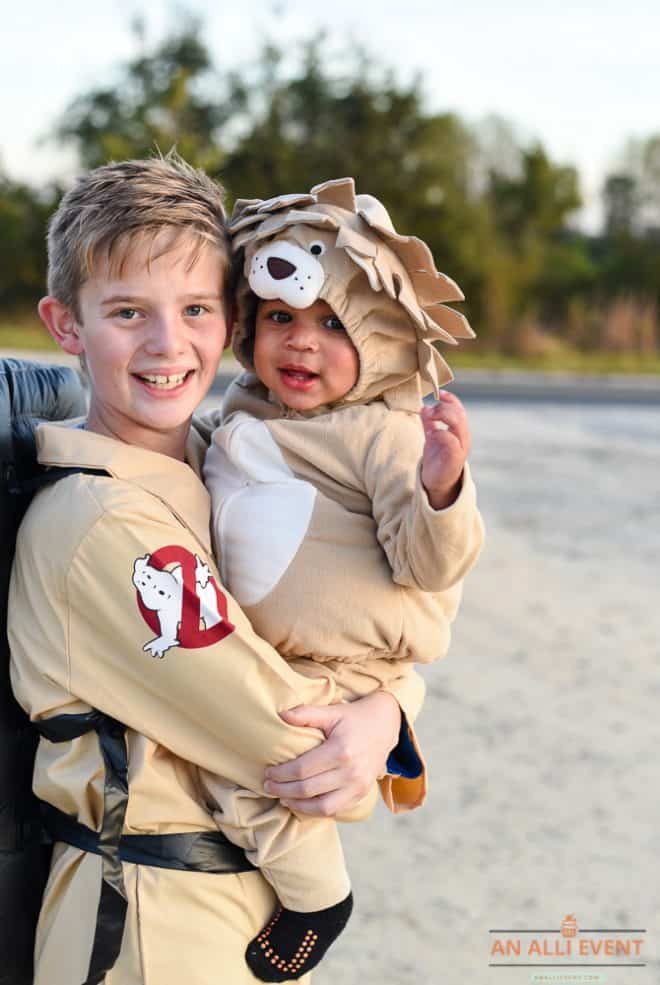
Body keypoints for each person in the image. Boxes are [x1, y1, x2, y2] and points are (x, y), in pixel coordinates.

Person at [8, 157, 427, 985]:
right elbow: (291, 738)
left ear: (231, 316)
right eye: (128, 312)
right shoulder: (101, 523)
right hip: (146, 924)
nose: (170, 344)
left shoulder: (227, 470)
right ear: (65, 324)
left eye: (196, 308)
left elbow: (355, 614)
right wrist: (381, 716)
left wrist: (390, 708)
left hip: (226, 907)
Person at [202, 177, 484, 936]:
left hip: (339, 667)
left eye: (333, 323)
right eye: (280, 317)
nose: (301, 341)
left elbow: (428, 564)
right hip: (285, 653)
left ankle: (317, 898)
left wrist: (440, 484)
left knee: (263, 773)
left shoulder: (379, 431)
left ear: (381, 336)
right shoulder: (244, 407)